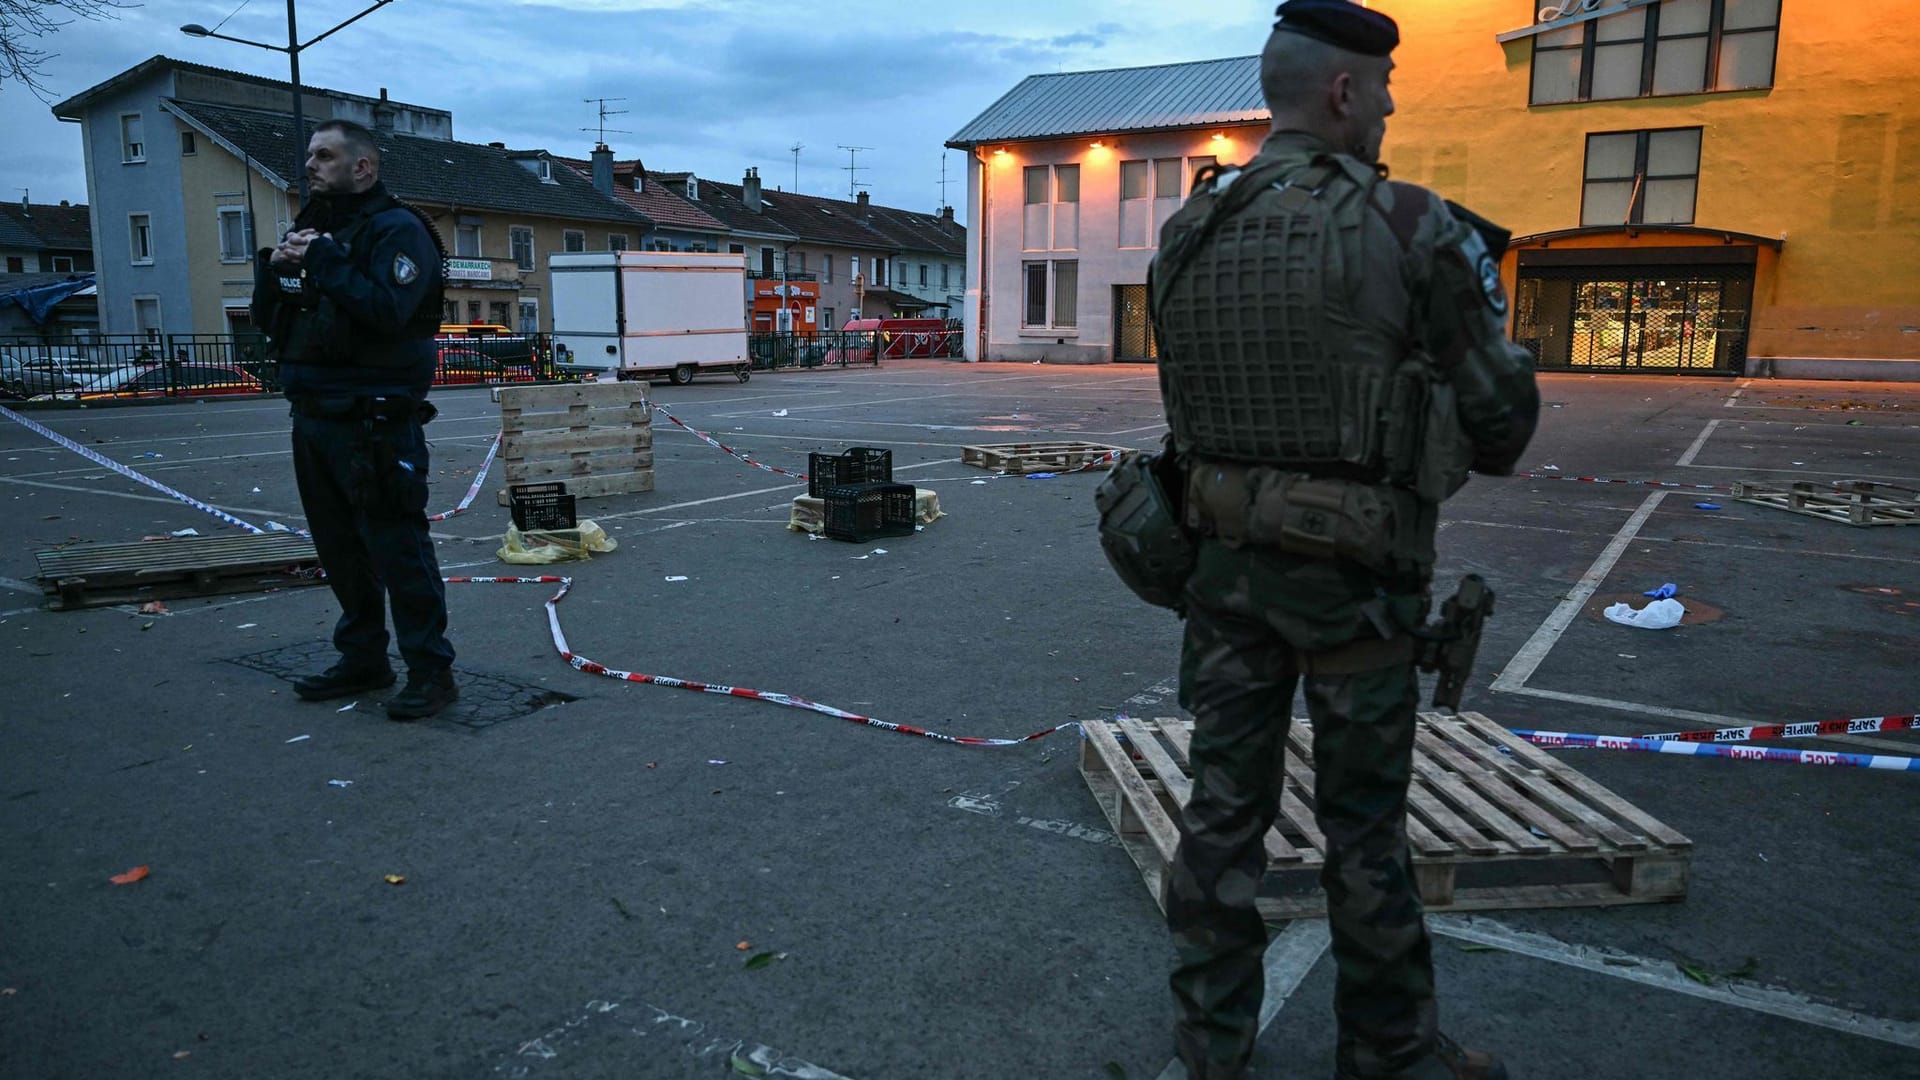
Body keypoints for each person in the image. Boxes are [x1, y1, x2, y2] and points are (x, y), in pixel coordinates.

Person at [1145, 3, 1540, 1077]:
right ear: (1344, 94)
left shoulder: (1191, 229)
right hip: (1358, 585)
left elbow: (1187, 405)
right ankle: (1388, 1051)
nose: (1395, 103)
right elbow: (1504, 428)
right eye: (1387, 85)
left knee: (1221, 814)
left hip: (1224, 572)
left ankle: (1208, 1047)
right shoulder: (1415, 224)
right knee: (1363, 827)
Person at [251, 118, 459, 720]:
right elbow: (271, 317)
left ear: (362, 167)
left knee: (397, 546)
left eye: (324, 156)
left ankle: (431, 671)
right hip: (313, 412)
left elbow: (387, 310)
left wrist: (324, 260)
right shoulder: (314, 228)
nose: (310, 166)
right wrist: (281, 266)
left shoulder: (398, 230)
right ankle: (364, 656)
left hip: (375, 416)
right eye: (310, 156)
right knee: (339, 549)